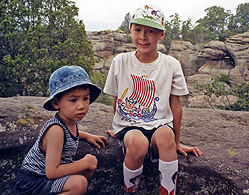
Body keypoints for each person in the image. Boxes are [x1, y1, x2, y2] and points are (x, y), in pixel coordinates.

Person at [104, 5, 202, 195]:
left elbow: (176, 105)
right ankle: (130, 191)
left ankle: (168, 191)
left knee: (167, 137)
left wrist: (177, 141)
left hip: (160, 125)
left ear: (161, 35)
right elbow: (117, 98)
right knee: (137, 143)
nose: (143, 36)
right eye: (138, 30)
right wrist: (117, 126)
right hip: (129, 126)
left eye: (150, 31)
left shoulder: (171, 64)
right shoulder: (120, 62)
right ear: (130, 30)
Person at [11, 66, 108, 195]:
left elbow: (69, 136)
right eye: (73, 100)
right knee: (79, 183)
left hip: (44, 179)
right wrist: (84, 163)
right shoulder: (56, 130)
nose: (81, 106)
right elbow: (52, 172)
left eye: (85, 98)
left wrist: (86, 136)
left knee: (87, 172)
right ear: (56, 103)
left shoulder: (69, 122)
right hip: (33, 183)